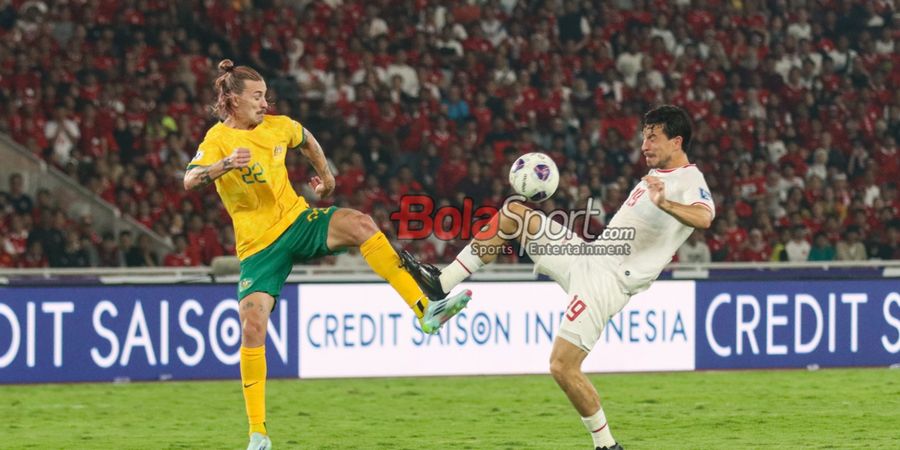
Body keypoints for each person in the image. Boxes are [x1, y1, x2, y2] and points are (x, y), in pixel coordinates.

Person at [183, 59, 471, 450]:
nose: (264, 103)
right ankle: (258, 434)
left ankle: (425, 309)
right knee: (252, 325)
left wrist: (328, 176)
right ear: (232, 100)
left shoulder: (278, 126)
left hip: (297, 222)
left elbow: (307, 140)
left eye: (265, 95)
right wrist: (223, 165)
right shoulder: (217, 139)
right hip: (258, 247)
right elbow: (190, 179)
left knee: (361, 223)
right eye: (256, 96)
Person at [400, 105, 714, 450]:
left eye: (652, 137)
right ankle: (441, 284)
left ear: (677, 140)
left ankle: (607, 445)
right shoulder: (654, 177)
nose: (644, 145)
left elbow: (703, 218)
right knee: (512, 214)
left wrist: (665, 203)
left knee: (562, 367)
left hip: (607, 282)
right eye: (643, 137)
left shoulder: (688, 180)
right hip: (588, 256)